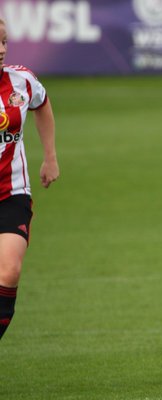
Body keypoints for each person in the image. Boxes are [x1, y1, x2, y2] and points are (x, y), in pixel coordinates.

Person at [0, 18, 59, 341]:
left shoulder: (21, 80)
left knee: (9, 272)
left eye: (5, 42)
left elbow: (43, 104)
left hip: (12, 194)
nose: (0, 49)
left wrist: (50, 157)